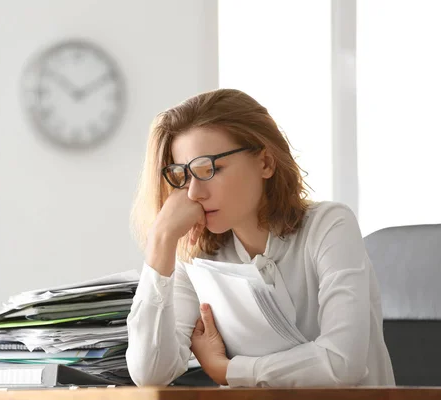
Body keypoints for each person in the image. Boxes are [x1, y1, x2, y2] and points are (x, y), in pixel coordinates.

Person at [125, 88, 395, 387]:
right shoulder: (195, 256)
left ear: (265, 163)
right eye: (184, 176)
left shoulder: (330, 225)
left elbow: (343, 364)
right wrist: (161, 240)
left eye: (209, 169)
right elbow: (150, 374)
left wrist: (227, 371)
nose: (194, 193)